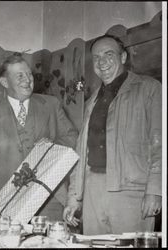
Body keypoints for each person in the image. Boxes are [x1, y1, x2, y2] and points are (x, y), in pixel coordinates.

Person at [63, 34, 162, 234]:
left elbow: (162, 144)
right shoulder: (91, 101)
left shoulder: (149, 88)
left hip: (131, 192)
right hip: (92, 191)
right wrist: (74, 196)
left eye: (109, 54)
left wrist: (155, 190)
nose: (102, 62)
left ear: (123, 57)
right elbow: (81, 152)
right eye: (97, 57)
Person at [0, 52, 78, 220]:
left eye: (29, 74)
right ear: (4, 82)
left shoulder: (51, 104)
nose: (28, 80)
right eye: (19, 76)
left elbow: (72, 138)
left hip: (51, 199)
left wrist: (50, 146)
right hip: (9, 203)